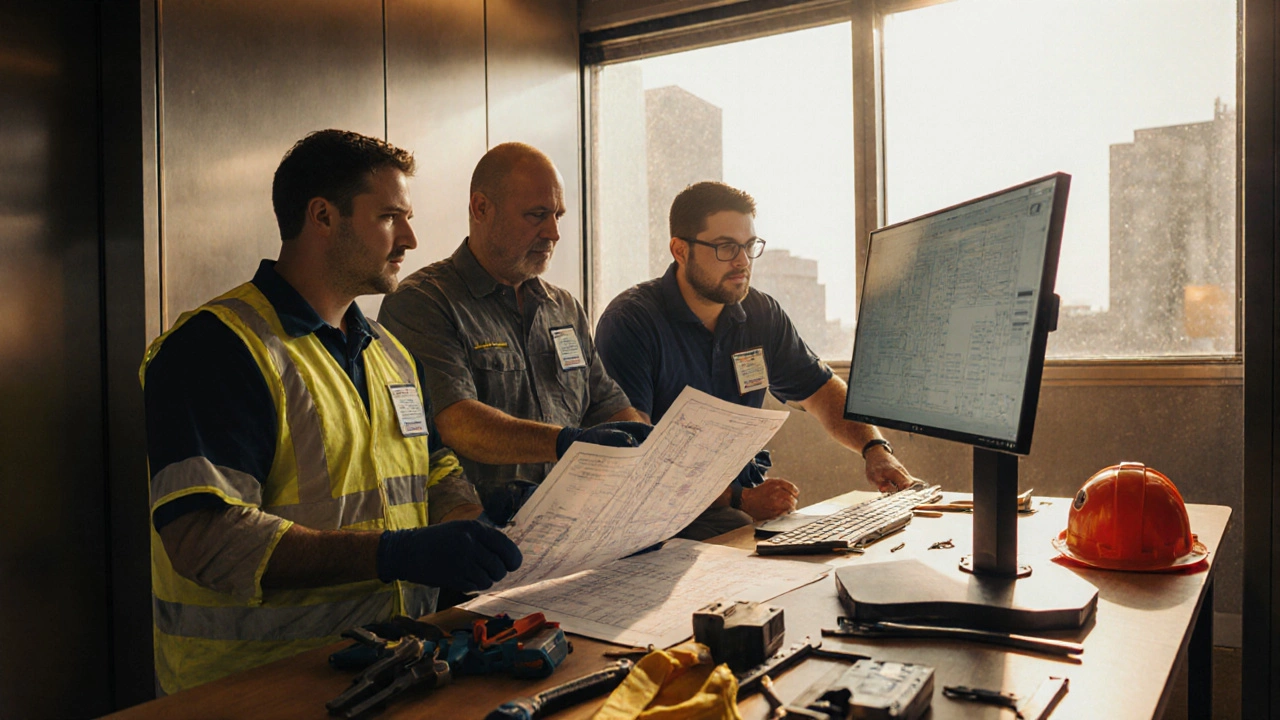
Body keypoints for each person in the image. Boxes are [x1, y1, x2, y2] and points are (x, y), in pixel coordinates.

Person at [141, 130, 522, 694]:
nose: (411, 239)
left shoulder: (388, 352)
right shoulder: (219, 348)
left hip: (391, 670)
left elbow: (433, 470)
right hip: (256, 691)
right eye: (391, 217)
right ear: (322, 215)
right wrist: (395, 553)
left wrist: (473, 522)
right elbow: (206, 538)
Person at [596, 181, 917, 540]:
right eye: (725, 247)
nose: (742, 261)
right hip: (656, 518)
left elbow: (822, 392)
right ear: (680, 250)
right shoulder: (631, 322)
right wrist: (740, 498)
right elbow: (632, 454)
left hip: (737, 505)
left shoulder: (760, 314)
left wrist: (875, 449)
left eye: (749, 246)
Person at [379, 143, 650, 524]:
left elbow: (607, 406)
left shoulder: (564, 308)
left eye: (558, 215)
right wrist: (563, 443)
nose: (553, 232)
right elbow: (456, 421)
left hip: (572, 529)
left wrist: (669, 458)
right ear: (481, 208)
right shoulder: (423, 303)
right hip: (477, 537)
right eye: (537, 215)